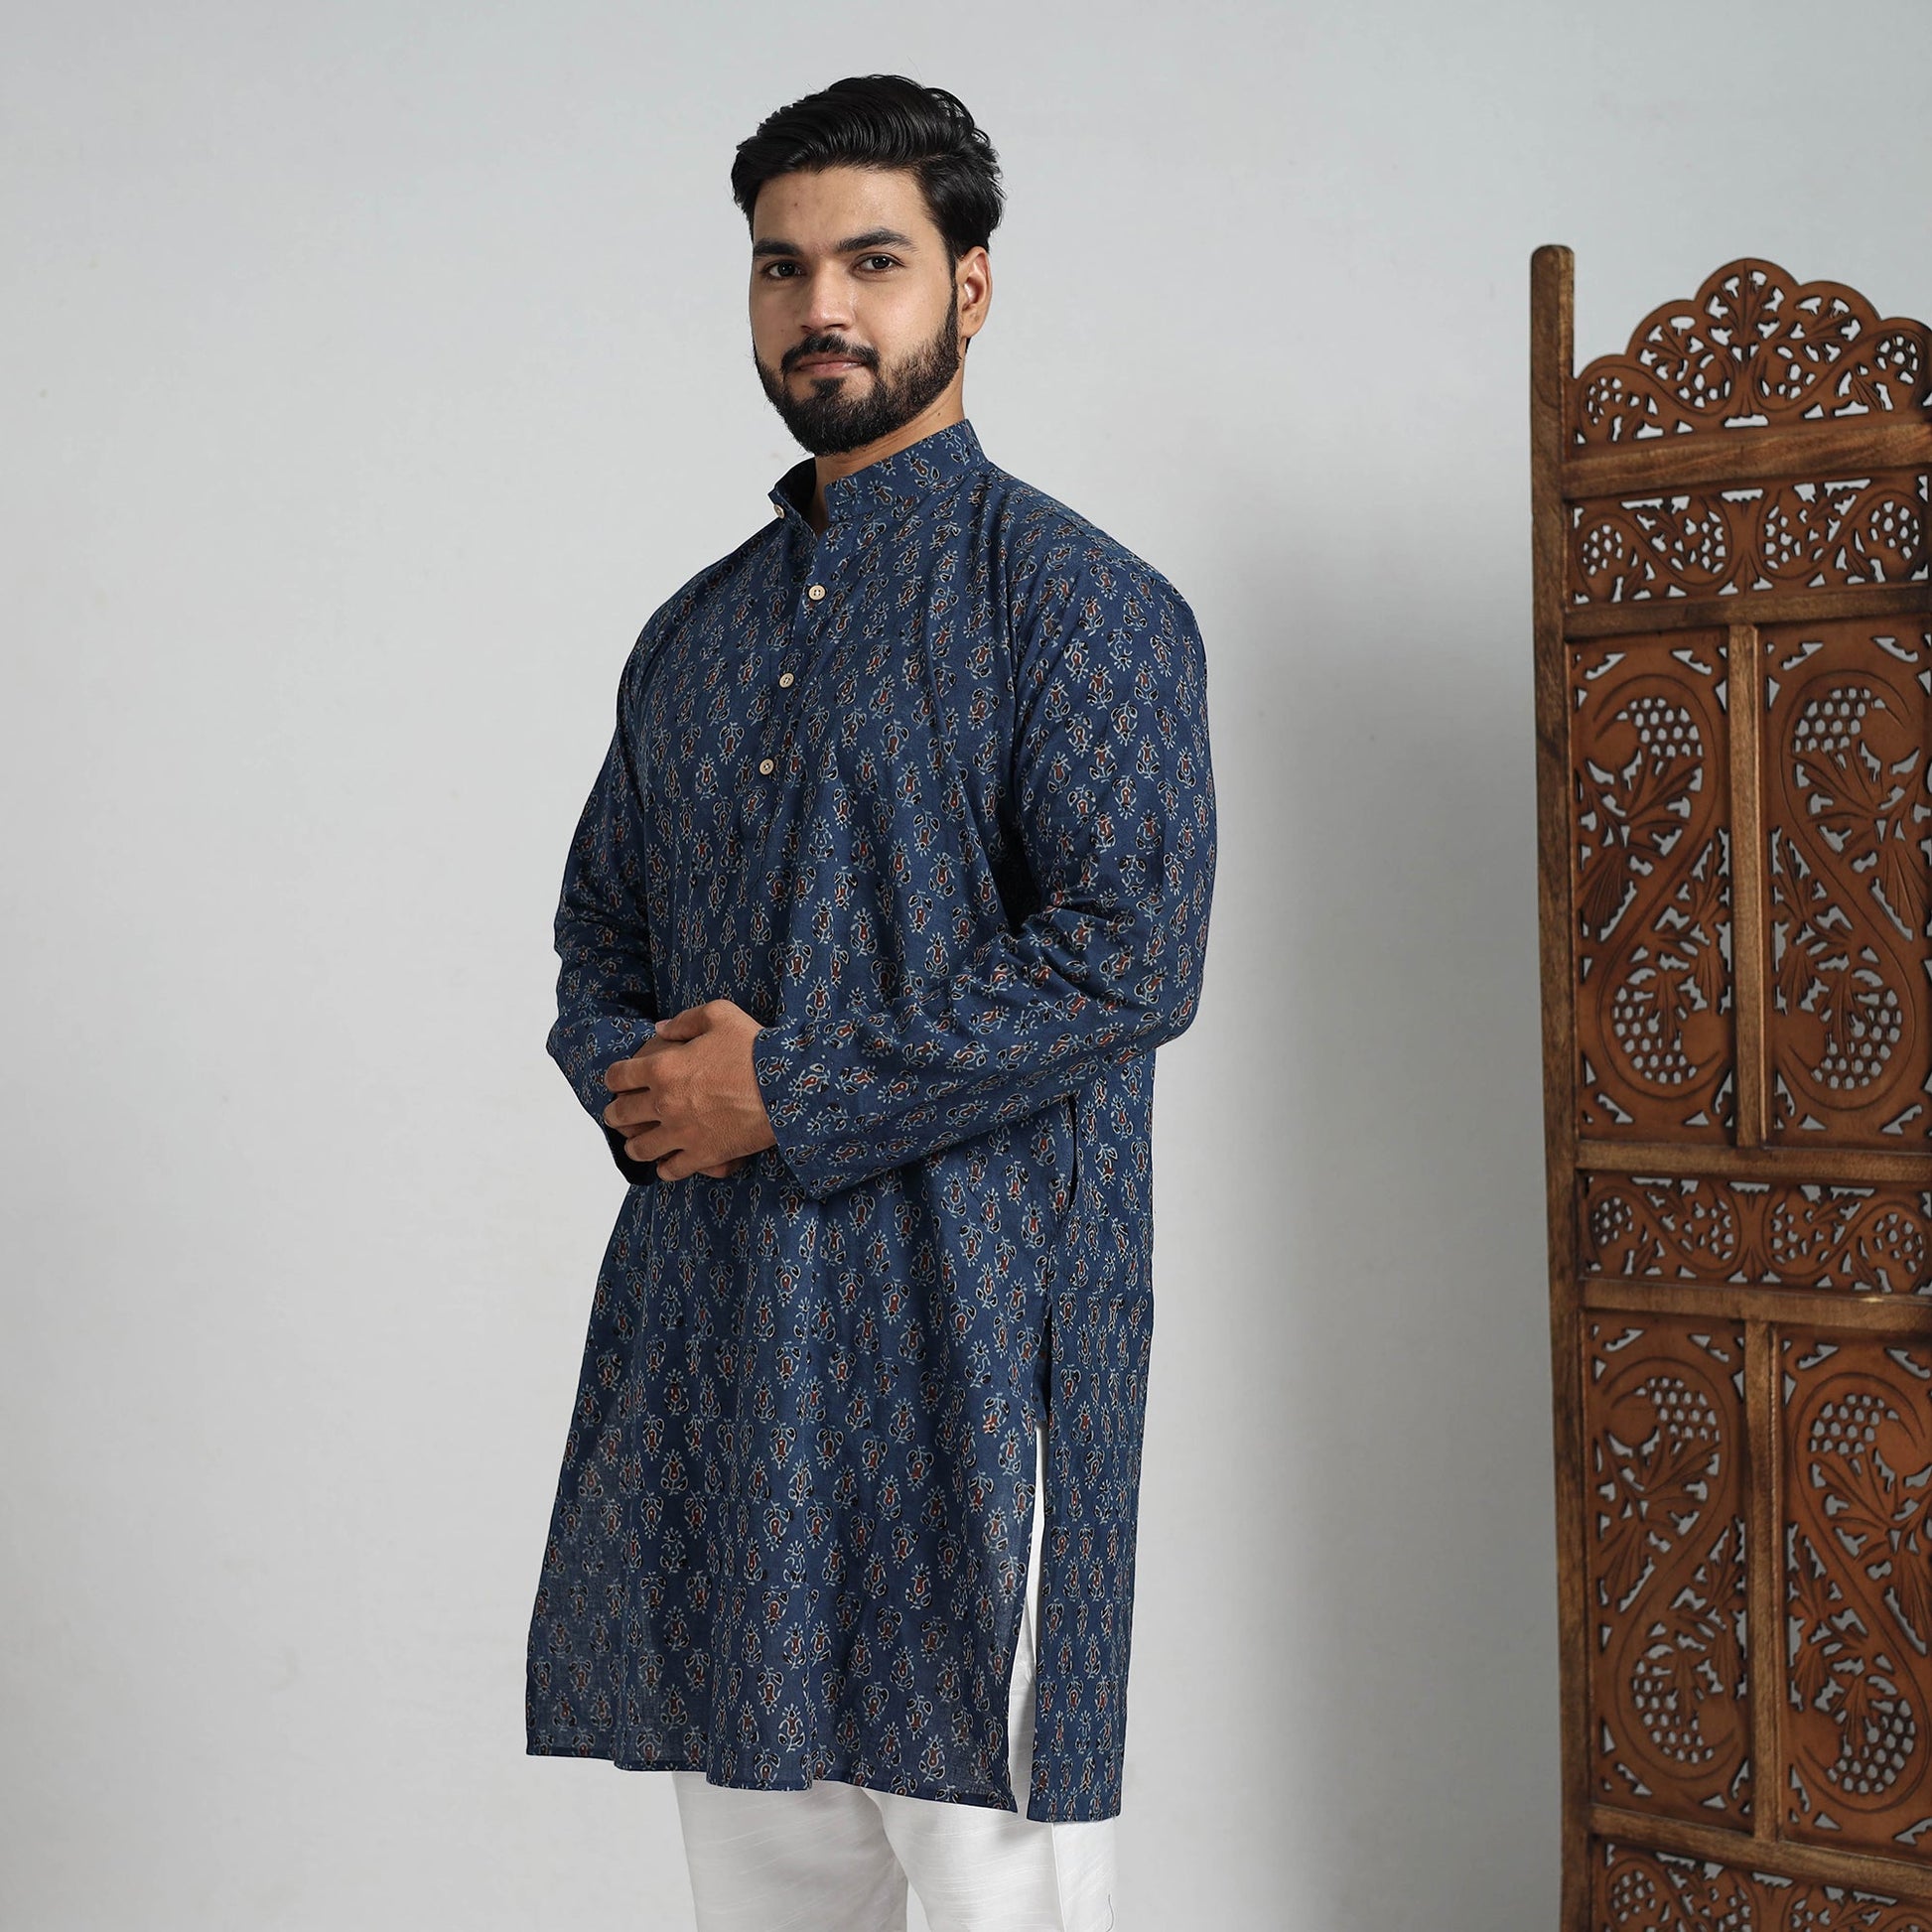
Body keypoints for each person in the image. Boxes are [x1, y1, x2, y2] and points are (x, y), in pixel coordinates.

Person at [524, 72, 1217, 1932]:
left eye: (872, 261)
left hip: (975, 1366)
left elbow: (1130, 953)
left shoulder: (1073, 604)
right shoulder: (696, 635)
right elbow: (599, 939)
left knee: (1000, 1881)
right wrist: (647, 1087)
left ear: (969, 287)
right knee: (763, 1897)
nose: (819, 305)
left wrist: (789, 1088)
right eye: (781, 267)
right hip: (728, 1367)